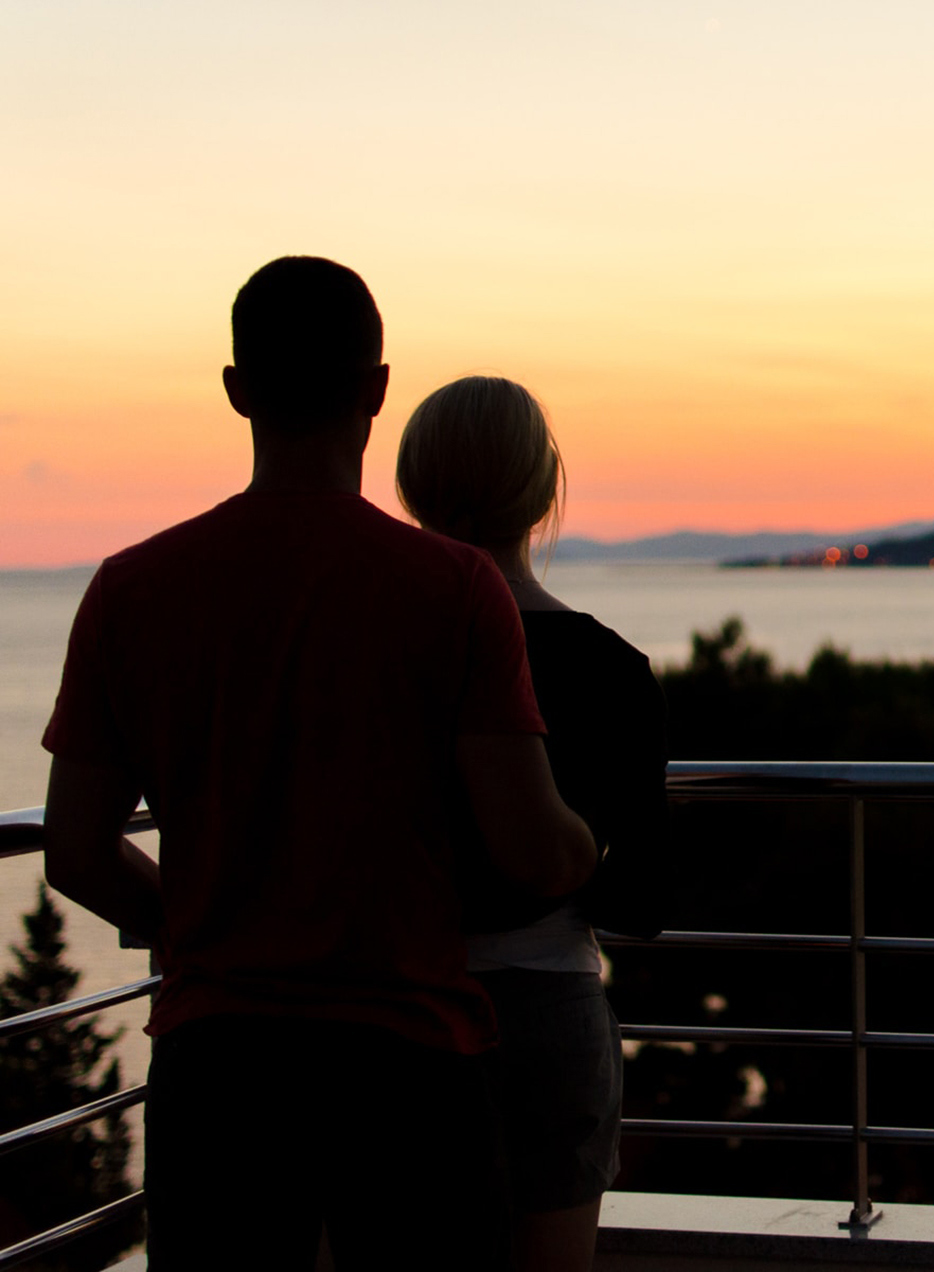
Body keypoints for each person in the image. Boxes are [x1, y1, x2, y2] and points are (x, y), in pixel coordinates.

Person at [39, 257, 599, 1270]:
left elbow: (76, 850)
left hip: (219, 1065)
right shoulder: (455, 591)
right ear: (378, 390)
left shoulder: (132, 591)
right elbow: (528, 848)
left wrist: (203, 921)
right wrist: (585, 847)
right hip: (410, 1065)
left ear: (238, 389)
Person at [396, 375, 668, 1272]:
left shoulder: (369, 656)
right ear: (544, 492)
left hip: (386, 1018)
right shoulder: (611, 669)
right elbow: (639, 898)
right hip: (548, 1017)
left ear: (413, 488)